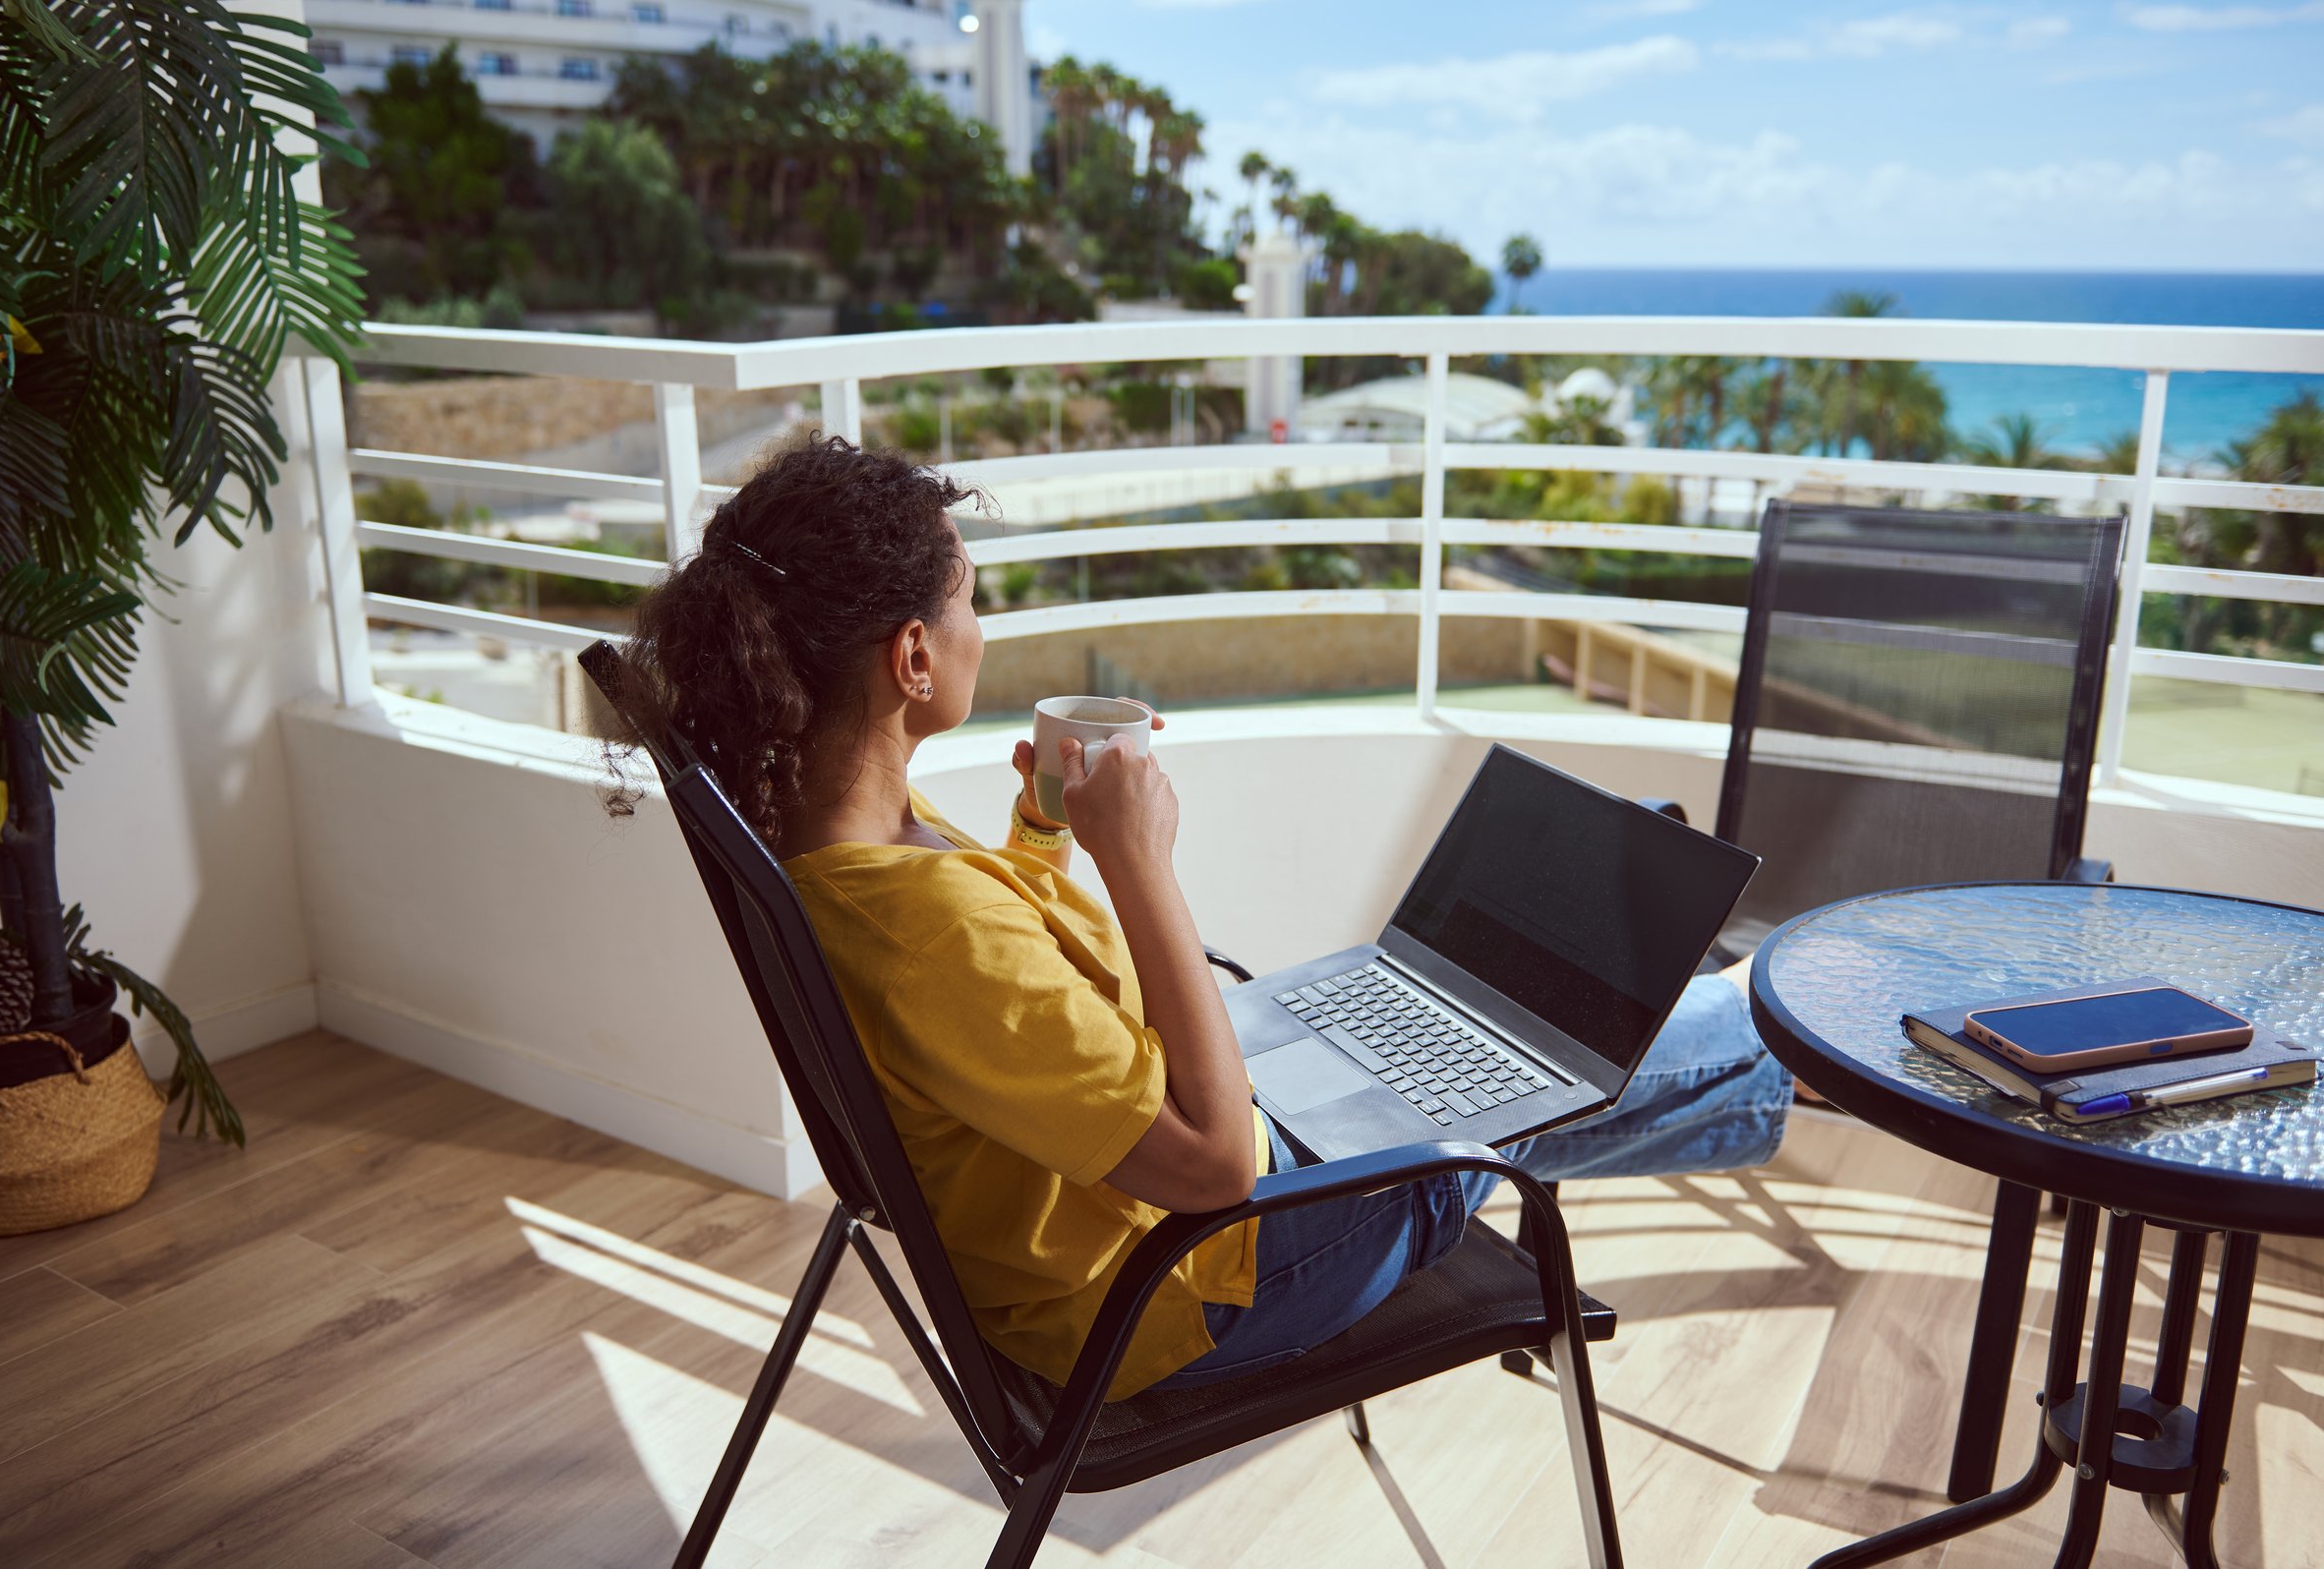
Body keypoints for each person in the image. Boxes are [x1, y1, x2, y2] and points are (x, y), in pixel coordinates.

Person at [607, 435, 1790, 1401]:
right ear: (913, 656)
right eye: (975, 599)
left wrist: (1042, 833)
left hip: (1132, 1204)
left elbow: (1008, 1018)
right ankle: (1771, 1016)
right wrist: (1139, 864)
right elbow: (1217, 1169)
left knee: (1490, 1026)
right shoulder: (930, 931)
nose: (985, 626)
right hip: (1183, 1286)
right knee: (1531, 1065)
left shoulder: (842, 841)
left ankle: (1717, 1028)